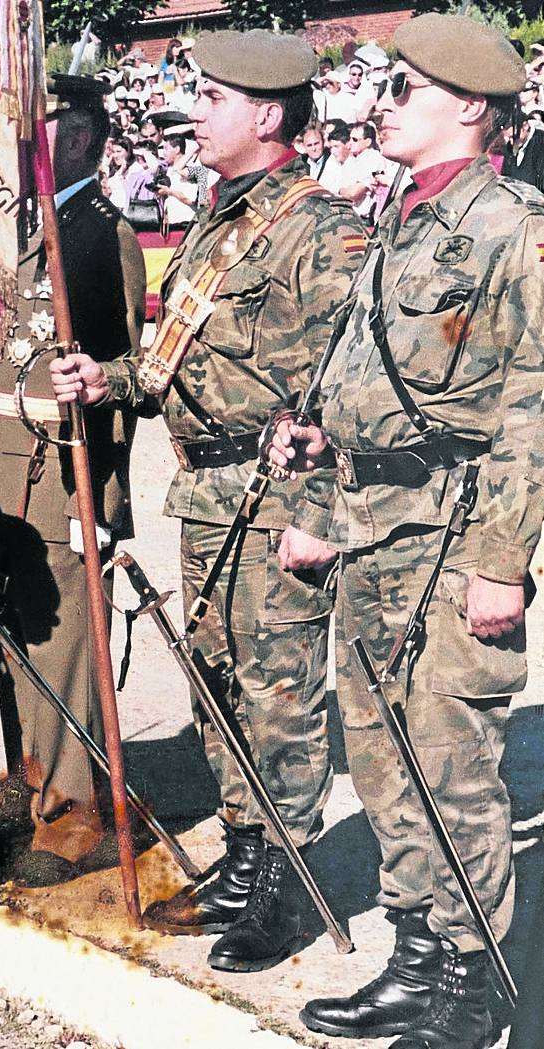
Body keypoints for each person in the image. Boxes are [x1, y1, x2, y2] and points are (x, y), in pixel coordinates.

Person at [50, 29, 367, 972]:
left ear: (267, 115)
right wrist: (108, 379)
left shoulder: (321, 230)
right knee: (219, 683)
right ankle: (244, 855)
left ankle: (288, 886)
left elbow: (345, 389)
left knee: (279, 695)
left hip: (275, 490)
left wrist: (318, 513)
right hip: (207, 486)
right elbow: (178, 361)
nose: (194, 115)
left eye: (213, 99)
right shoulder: (219, 219)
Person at [266, 15, 542, 1048]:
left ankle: (476, 985)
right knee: (383, 759)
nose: (380, 104)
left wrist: (501, 561)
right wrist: (319, 461)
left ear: (469, 105)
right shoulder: (402, 218)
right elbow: (365, 376)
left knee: (452, 766)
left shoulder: (514, 226)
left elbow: (533, 404)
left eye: (404, 88)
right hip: (372, 523)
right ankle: (418, 959)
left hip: (455, 531)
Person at [0, 73, 146, 882]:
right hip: (0, 470)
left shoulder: (99, 233)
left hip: (60, 477)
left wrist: (100, 500)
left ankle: (73, 823)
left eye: (43, 121)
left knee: (62, 653)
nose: (20, 136)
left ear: (83, 134)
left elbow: (119, 375)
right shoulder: (21, 225)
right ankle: (31, 805)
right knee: (13, 644)